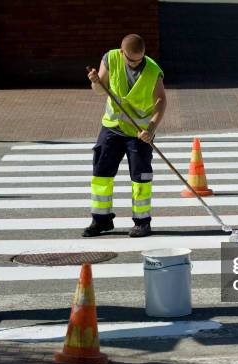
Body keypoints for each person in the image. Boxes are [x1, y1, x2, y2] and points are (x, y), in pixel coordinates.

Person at [84, 34, 167, 238]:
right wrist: (95, 81)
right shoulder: (110, 58)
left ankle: (142, 222)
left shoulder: (153, 70)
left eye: (140, 59)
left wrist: (151, 129)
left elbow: (161, 101)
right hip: (111, 128)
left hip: (139, 135)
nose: (136, 64)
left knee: (141, 178)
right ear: (122, 53)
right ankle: (101, 220)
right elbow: (98, 90)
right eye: (131, 60)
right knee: (101, 174)